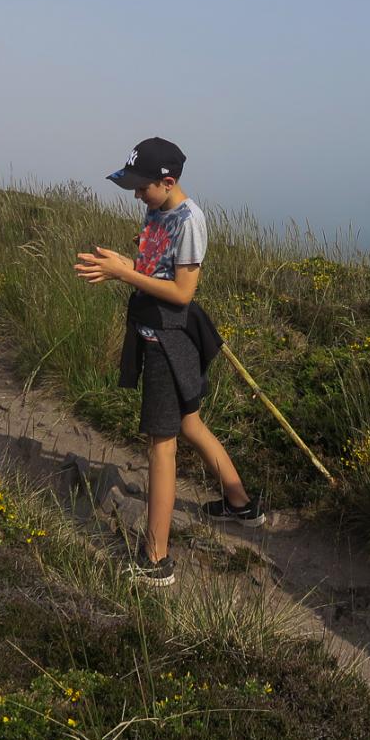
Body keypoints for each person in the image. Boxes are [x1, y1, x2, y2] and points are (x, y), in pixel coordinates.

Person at [73, 137, 261, 587]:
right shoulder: (157, 211)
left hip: (169, 342)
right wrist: (127, 263)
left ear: (168, 181)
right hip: (152, 332)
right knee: (190, 425)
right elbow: (153, 267)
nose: (138, 195)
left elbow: (181, 294)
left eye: (143, 188)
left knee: (163, 443)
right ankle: (241, 506)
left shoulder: (190, 220)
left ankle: (155, 560)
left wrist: (124, 274)